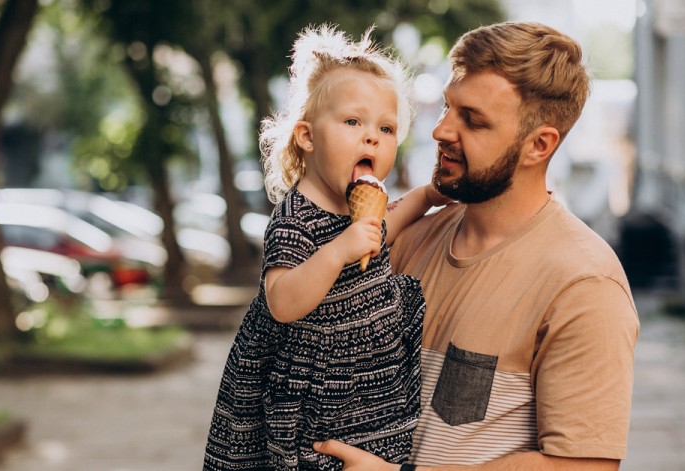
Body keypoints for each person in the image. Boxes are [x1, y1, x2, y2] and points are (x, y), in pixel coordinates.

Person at [314, 21, 640, 470]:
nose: (441, 131)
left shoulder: (583, 283)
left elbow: (581, 467)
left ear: (538, 145)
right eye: (449, 107)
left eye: (473, 120)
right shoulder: (406, 240)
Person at [204, 24, 447, 470]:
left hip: (371, 377)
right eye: (353, 122)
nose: (372, 136)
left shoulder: (359, 209)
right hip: (316, 389)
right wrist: (336, 252)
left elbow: (383, 229)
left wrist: (428, 198)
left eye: (387, 128)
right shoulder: (295, 218)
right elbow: (281, 301)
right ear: (308, 137)